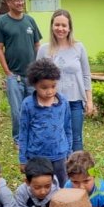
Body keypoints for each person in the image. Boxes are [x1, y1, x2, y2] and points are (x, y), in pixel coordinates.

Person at [37, 9, 93, 150]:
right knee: (56, 137)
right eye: (57, 25)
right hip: (52, 102)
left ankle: (77, 171)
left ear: (69, 28)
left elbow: (86, 75)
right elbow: (36, 78)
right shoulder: (44, 49)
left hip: (75, 103)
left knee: (76, 138)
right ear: (52, 26)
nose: (60, 29)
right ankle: (59, 169)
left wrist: (89, 100)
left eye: (64, 25)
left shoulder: (78, 48)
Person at [0, 0, 42, 145]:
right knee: (17, 111)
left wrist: (38, 69)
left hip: (32, 76)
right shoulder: (2, 22)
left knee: (34, 108)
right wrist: (7, 72)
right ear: (8, 2)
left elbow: (37, 45)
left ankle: (33, 136)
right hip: (14, 75)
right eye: (16, 0)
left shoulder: (30, 21)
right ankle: (19, 139)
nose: (20, 3)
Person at [18, 59, 73, 187]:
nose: (49, 91)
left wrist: (69, 152)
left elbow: (68, 128)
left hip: (60, 155)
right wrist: (22, 159)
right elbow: (23, 132)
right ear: (34, 85)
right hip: (37, 157)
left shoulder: (63, 102)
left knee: (62, 187)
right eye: (44, 87)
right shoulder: (28, 104)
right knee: (40, 188)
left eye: (53, 86)